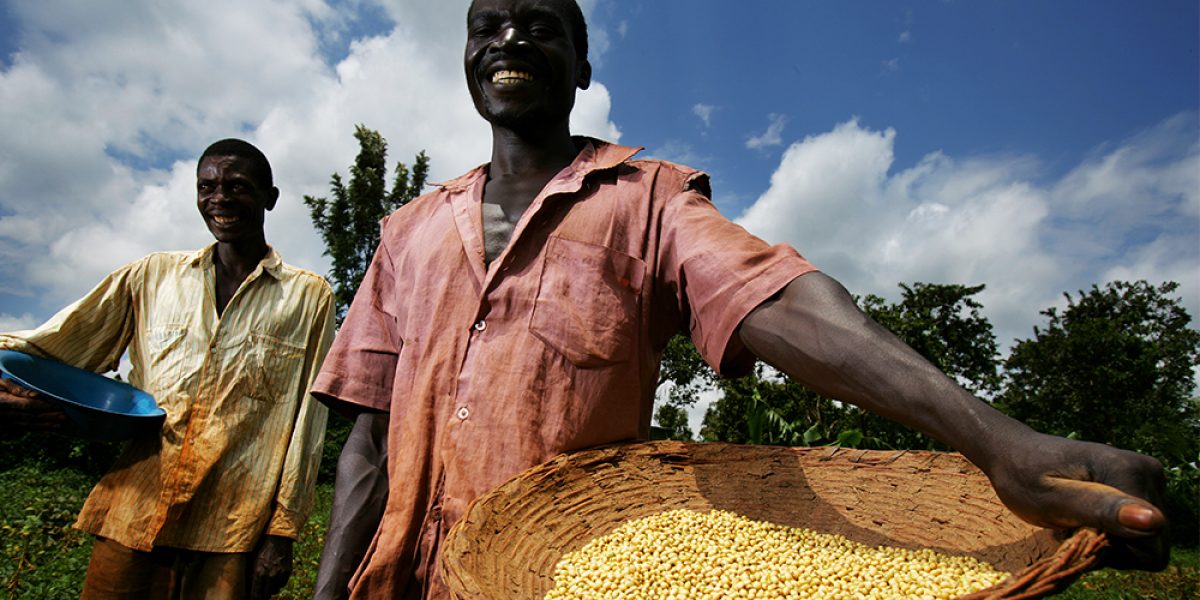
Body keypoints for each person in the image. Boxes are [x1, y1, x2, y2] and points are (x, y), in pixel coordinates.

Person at [310, 1, 1170, 598]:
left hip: (561, 577)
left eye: (540, 29)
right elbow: (369, 440)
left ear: (580, 66)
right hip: (399, 582)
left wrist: (999, 442)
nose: (509, 41)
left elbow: (780, 300)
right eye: (486, 27)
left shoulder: (644, 199)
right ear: (464, 56)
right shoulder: (408, 231)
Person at [0, 139, 336, 600]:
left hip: (233, 531)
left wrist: (282, 533)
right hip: (135, 512)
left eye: (237, 186)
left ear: (269, 198)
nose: (219, 198)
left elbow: (307, 424)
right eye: (207, 186)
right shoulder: (151, 276)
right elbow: (49, 348)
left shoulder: (308, 296)